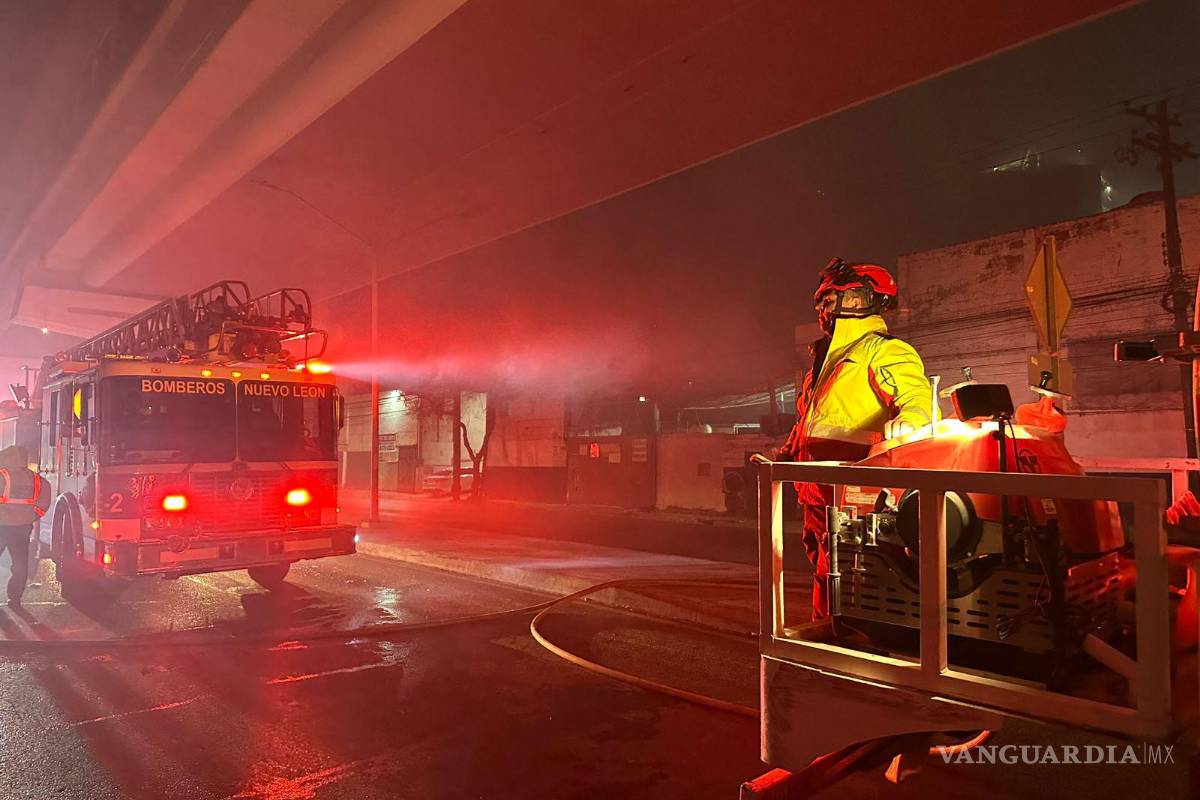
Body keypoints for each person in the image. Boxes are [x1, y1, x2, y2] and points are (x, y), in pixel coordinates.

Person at [779, 258, 933, 619]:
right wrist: (785, 454)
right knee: (824, 568)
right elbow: (811, 419)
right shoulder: (826, 358)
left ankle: (842, 643)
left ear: (857, 299)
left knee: (845, 574)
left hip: (855, 494)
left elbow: (915, 396)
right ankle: (830, 638)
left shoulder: (884, 349)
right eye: (820, 301)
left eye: (829, 299)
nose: (821, 308)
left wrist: (911, 418)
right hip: (817, 489)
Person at [0, 445, 51, 608]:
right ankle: (14, 598)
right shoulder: (36, 479)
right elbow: (43, 501)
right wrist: (32, 516)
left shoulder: (2, 476)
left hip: (1, 525)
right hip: (23, 526)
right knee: (20, 563)